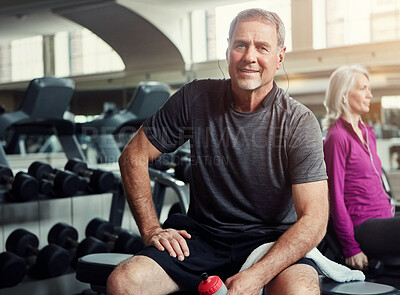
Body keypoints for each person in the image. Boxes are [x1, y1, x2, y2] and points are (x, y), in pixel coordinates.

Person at [107, 8, 328, 295]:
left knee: (301, 291)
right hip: (201, 241)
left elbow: (315, 219)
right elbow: (133, 156)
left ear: (280, 56)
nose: (250, 56)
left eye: (262, 47)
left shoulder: (298, 122)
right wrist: (151, 229)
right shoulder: (195, 98)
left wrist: (256, 275)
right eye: (240, 45)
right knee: (124, 282)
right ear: (228, 51)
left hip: (270, 244)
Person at [322, 65, 400, 271]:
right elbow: (334, 197)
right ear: (344, 96)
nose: (369, 95)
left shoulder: (368, 133)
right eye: (363, 89)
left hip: (386, 215)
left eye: (369, 89)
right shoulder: (337, 138)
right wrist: (351, 247)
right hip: (364, 224)